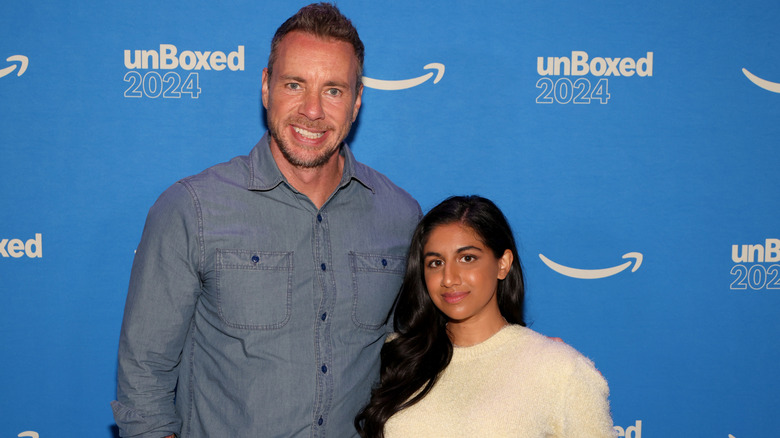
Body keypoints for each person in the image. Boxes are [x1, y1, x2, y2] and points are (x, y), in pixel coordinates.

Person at [112, 3, 421, 437]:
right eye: (295, 85)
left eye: (333, 90)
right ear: (265, 87)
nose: (312, 110)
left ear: (356, 102)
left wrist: (524, 358)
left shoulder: (401, 216)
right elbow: (144, 379)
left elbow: (422, 353)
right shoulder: (193, 208)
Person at [355, 196, 616, 438]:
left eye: (467, 258)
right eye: (435, 263)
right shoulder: (396, 357)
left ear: (502, 264)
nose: (448, 278)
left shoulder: (561, 370)